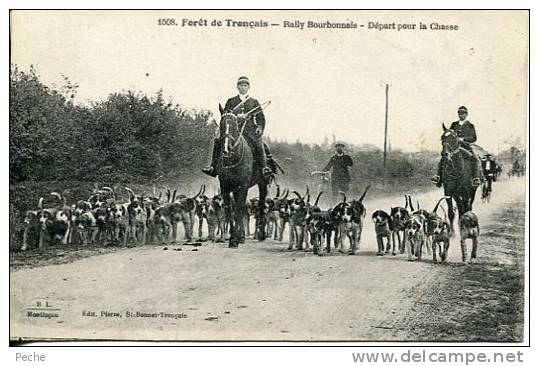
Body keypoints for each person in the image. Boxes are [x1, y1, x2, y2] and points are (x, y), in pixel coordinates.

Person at [202, 76, 275, 177]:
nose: (243, 88)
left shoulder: (254, 102)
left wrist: (259, 128)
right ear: (237, 87)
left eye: (245, 85)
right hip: (234, 130)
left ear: (248, 87)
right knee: (218, 141)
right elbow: (226, 115)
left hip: (250, 130)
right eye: (240, 85)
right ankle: (213, 167)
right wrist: (237, 116)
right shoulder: (231, 101)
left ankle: (264, 168)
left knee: (259, 144)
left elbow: (260, 118)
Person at [431, 106, 483, 187]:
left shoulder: (470, 125)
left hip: (465, 147)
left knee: (475, 159)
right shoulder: (454, 124)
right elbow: (449, 134)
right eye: (459, 113)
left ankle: (475, 178)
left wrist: (463, 139)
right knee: (443, 158)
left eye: (463, 114)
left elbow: (474, 138)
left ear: (466, 114)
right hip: (454, 148)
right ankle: (438, 177)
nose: (461, 115)